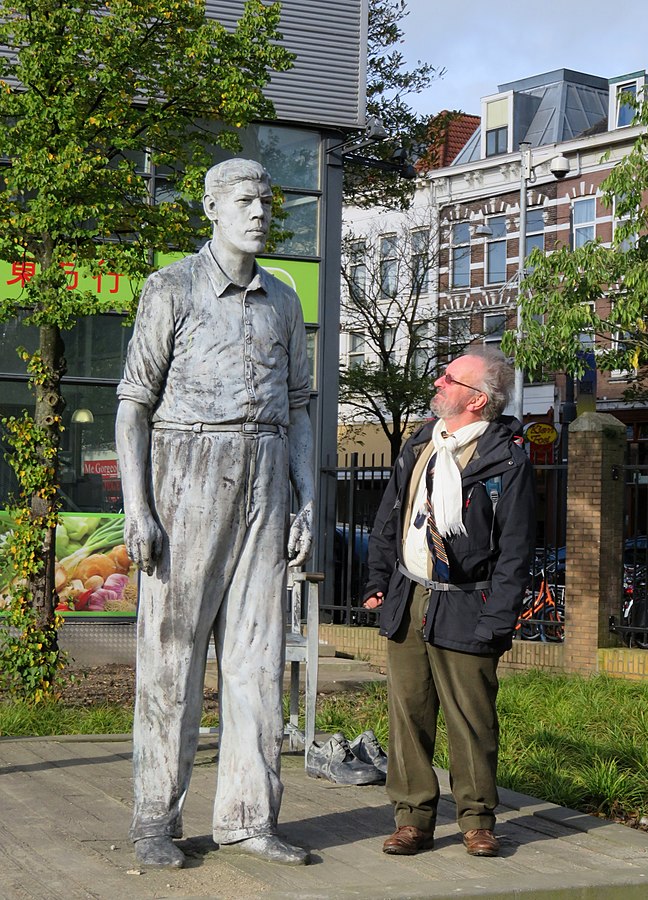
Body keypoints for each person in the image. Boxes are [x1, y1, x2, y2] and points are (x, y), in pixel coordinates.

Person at [115, 158, 314, 869]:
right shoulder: (169, 287)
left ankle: (247, 817)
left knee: (257, 656)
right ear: (210, 208)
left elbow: (298, 407)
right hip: (189, 471)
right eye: (244, 200)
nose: (260, 211)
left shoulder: (283, 299)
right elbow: (133, 403)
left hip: (265, 472)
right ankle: (153, 821)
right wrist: (138, 507)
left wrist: (306, 497)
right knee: (171, 655)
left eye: (266, 200)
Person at [363, 347, 535, 858]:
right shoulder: (421, 443)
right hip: (411, 595)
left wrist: (497, 620)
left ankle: (477, 819)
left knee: (470, 720)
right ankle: (413, 817)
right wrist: (377, 580)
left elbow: (515, 551)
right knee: (408, 715)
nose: (437, 382)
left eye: (449, 377)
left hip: (468, 603)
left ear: (477, 400)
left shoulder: (507, 460)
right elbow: (389, 517)